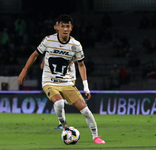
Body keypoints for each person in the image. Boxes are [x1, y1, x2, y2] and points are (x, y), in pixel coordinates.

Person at [18, 14, 105, 144]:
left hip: (66, 82)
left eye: (67, 26)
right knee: (59, 103)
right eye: (62, 26)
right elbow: (35, 54)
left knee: (85, 110)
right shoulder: (48, 40)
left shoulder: (76, 45)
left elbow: (81, 65)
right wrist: (24, 70)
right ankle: (65, 126)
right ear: (56, 27)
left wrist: (86, 86)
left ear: (71, 28)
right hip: (49, 81)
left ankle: (96, 136)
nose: (65, 29)